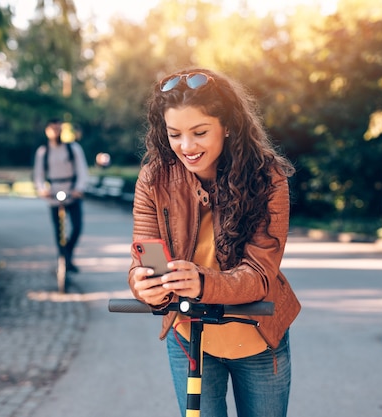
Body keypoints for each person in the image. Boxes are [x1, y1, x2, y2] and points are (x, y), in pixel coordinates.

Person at [128, 68, 301, 417]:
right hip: (188, 336)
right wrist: (144, 285)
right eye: (175, 134)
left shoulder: (267, 177)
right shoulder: (155, 177)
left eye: (199, 132)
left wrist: (201, 282)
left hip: (255, 335)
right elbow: (142, 257)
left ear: (227, 125)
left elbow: (260, 275)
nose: (186, 147)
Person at [33, 118, 89, 273]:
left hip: (72, 192)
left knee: (77, 227)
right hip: (54, 194)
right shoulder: (43, 151)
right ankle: (63, 260)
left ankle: (68, 255)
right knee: (58, 231)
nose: (56, 132)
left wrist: (79, 188)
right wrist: (42, 189)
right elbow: (39, 174)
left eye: (58, 129)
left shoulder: (73, 148)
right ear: (47, 131)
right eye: (53, 129)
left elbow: (82, 170)